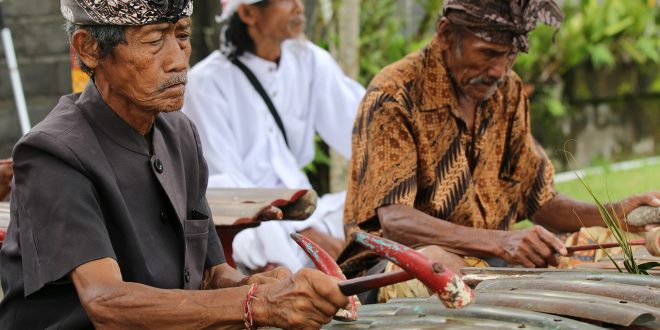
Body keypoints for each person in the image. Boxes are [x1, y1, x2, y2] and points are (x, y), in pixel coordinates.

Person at [0, 1, 348, 328]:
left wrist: (256, 284)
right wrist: (256, 303)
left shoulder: (179, 132)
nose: (178, 61)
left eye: (182, 35)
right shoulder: (51, 152)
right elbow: (105, 302)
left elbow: (211, 274)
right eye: (154, 41)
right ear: (89, 48)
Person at [337, 0, 660, 303]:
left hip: (493, 261)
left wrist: (615, 212)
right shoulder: (394, 94)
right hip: (392, 266)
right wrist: (501, 241)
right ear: (447, 34)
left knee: (617, 245)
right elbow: (396, 222)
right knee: (440, 265)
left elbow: (541, 201)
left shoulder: (508, 91)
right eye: (489, 53)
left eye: (510, 56)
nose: (499, 70)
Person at [183, 0, 365, 272]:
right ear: (248, 12)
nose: (298, 7)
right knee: (249, 235)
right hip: (253, 227)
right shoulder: (206, 84)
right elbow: (226, 191)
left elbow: (364, 132)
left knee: (375, 206)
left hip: (307, 213)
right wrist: (305, 232)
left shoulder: (310, 61)